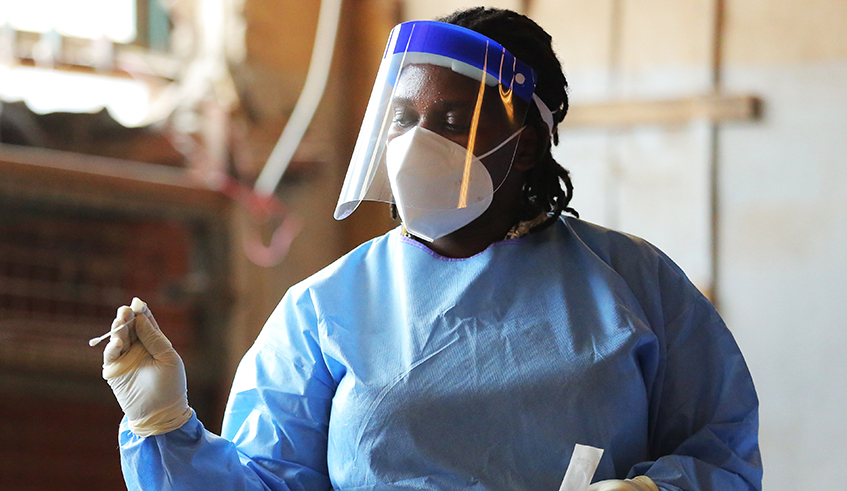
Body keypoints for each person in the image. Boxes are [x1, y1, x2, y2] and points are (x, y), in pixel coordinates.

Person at [101, 7, 762, 491]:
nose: (417, 144)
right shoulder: (325, 306)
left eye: (450, 122)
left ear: (524, 144)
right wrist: (164, 423)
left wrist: (652, 490)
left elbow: (723, 453)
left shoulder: (633, 284)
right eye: (403, 119)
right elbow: (266, 483)